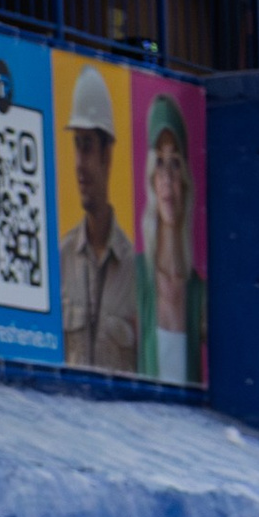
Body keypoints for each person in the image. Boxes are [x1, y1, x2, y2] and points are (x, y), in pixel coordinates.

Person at [59, 69, 137, 376]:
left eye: (88, 146)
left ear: (108, 154)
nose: (79, 164)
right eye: (76, 145)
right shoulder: (61, 259)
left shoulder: (136, 271)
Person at [134, 94, 204, 387]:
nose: (167, 178)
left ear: (185, 179)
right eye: (159, 163)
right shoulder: (136, 276)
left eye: (175, 163)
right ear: (150, 179)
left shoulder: (200, 292)